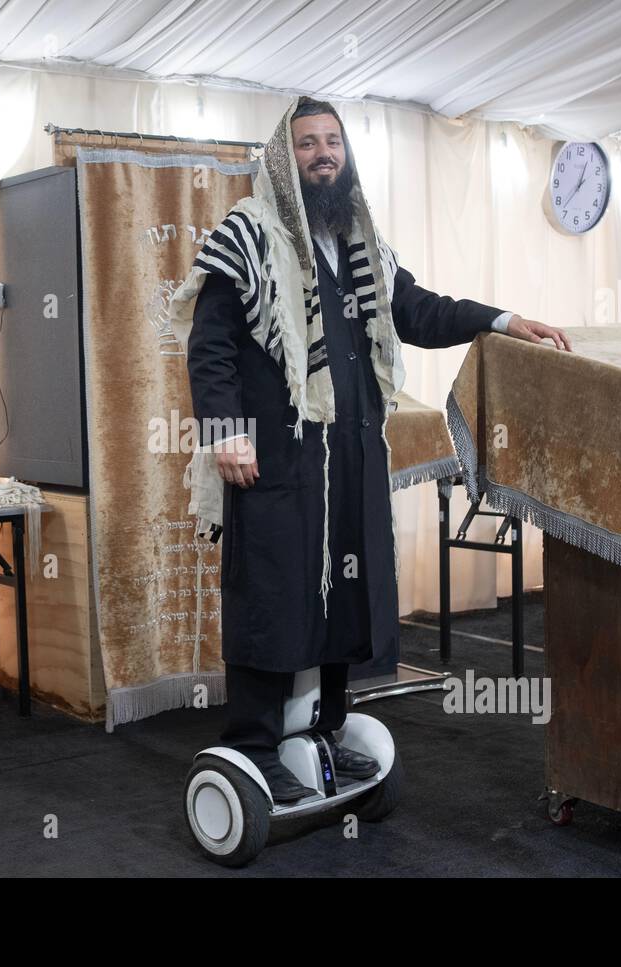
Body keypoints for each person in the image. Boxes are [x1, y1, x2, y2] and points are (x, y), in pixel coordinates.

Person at [170, 96, 570, 803]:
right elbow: (211, 347)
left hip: (351, 456)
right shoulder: (247, 234)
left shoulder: (363, 242)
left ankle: (322, 732)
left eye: (333, 141)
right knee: (273, 595)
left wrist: (504, 320)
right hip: (278, 459)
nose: (323, 154)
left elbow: (420, 311)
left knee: (342, 595)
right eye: (307, 143)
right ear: (283, 158)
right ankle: (255, 745)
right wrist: (227, 433)